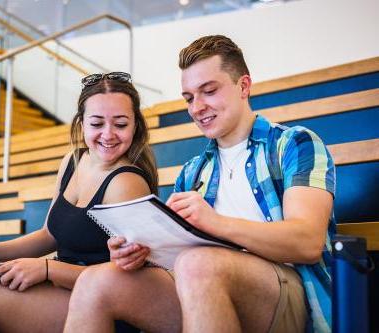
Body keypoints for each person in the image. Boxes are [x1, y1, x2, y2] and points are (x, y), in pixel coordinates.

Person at [64, 35, 335, 333]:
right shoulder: (193, 172)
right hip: (201, 287)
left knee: (198, 263)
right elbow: (173, 261)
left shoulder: (294, 143)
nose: (197, 107)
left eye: (209, 91)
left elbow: (307, 242)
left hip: (288, 296)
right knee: (96, 281)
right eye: (190, 98)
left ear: (244, 86)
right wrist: (139, 253)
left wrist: (215, 223)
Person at [0, 71, 161, 333]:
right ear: (82, 123)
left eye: (120, 124)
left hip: (101, 304)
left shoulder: (127, 182)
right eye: (97, 124)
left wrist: (49, 269)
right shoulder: (73, 161)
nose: (108, 135)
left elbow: (127, 278)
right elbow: (50, 234)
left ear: (136, 126)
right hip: (62, 288)